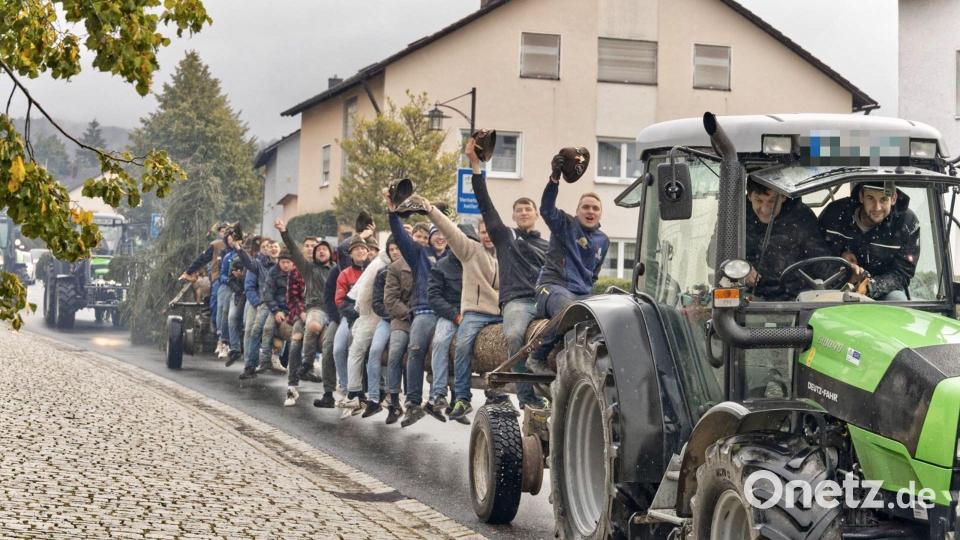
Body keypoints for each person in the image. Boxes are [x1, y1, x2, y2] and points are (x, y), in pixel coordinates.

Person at [467, 137, 549, 409]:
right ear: (513, 216)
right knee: (514, 335)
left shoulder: (548, 246)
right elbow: (485, 204)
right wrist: (475, 166)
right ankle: (526, 397)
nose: (524, 212)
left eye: (528, 209)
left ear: (536, 214)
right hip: (518, 302)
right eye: (519, 210)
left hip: (545, 299)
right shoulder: (505, 237)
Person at [527, 153, 610, 373]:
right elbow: (546, 209)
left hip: (582, 293)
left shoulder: (604, 240)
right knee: (569, 309)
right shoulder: (564, 223)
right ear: (577, 211)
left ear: (600, 214)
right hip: (552, 287)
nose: (590, 211)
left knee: (607, 314)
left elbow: (593, 274)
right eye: (586, 207)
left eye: (595, 208)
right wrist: (554, 179)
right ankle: (536, 357)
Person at [385, 195, 448, 428]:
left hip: (448, 312)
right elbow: (401, 238)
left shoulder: (455, 255)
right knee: (415, 348)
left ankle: (444, 398)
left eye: (443, 233)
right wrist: (393, 214)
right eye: (435, 233)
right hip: (424, 310)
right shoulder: (419, 254)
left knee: (447, 347)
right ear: (429, 237)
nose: (440, 237)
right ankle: (412, 402)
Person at [818, 181, 920, 300]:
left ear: (893, 198)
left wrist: (870, 286)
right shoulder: (834, 213)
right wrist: (841, 264)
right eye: (870, 198)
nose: (877, 207)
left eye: (883, 199)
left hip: (884, 291)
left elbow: (903, 273)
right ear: (861, 196)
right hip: (835, 284)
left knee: (897, 300)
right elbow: (816, 253)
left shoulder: (907, 223)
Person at [739, 180, 832, 300]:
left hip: (798, 298)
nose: (765, 209)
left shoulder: (802, 218)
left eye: (772, 201)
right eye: (759, 200)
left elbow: (821, 261)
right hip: (752, 299)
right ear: (749, 196)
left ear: (783, 197)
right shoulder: (735, 218)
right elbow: (718, 257)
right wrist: (740, 267)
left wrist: (845, 276)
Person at [277, 220, 333, 406]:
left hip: (329, 314)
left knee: (329, 345)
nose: (318, 250)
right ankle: (292, 387)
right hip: (306, 313)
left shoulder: (336, 270)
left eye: (323, 248)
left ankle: (331, 392)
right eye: (315, 248)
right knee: (295, 341)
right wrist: (284, 231)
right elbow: (292, 299)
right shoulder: (305, 269)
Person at [339, 235, 389, 418]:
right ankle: (354, 392)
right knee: (347, 348)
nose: (365, 252)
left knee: (369, 351)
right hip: (363, 313)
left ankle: (375, 394)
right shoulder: (376, 265)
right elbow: (352, 298)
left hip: (375, 314)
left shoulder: (379, 265)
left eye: (367, 249)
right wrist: (357, 315)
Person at [424, 228, 468, 422]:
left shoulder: (477, 262)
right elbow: (433, 297)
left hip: (475, 313)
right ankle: (439, 393)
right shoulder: (441, 266)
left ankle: (489, 394)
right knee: (440, 341)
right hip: (450, 314)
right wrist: (454, 315)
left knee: (469, 345)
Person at [362, 236, 401, 418]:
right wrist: (390, 315)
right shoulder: (382, 272)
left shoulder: (412, 269)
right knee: (375, 350)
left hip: (405, 320)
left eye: (397, 248)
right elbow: (377, 302)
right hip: (386, 319)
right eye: (391, 249)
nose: (395, 252)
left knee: (395, 353)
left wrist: (401, 316)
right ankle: (373, 398)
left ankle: (394, 401)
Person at [333, 235, 369, 403]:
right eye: (356, 249)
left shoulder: (375, 270)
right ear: (351, 254)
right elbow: (340, 301)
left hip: (371, 317)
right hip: (350, 317)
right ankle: (345, 386)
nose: (360, 251)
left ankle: (375, 389)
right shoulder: (345, 274)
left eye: (363, 248)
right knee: (339, 348)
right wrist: (355, 314)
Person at [382, 250, 413, 425]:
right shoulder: (395, 267)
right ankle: (393, 402)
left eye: (424, 237)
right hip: (402, 318)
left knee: (413, 353)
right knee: (395, 352)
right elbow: (390, 300)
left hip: (425, 316)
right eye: (417, 237)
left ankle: (413, 401)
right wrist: (409, 313)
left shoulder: (429, 262)